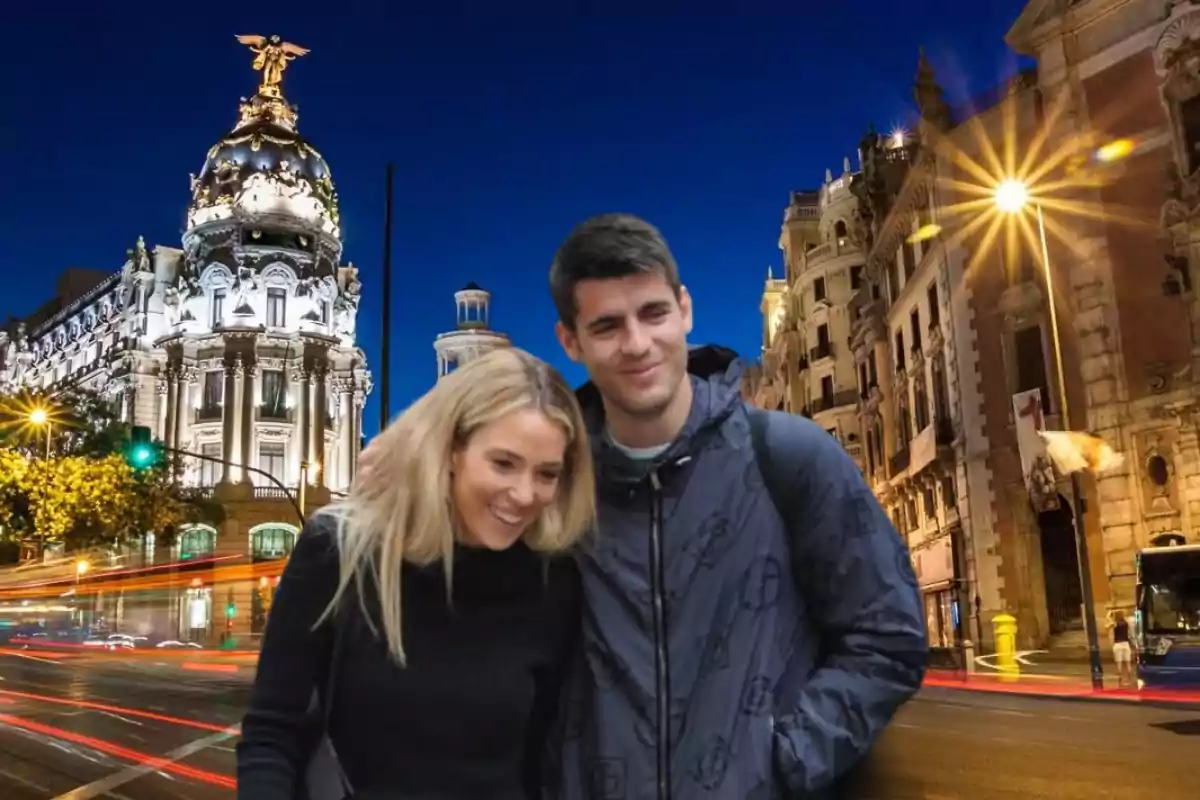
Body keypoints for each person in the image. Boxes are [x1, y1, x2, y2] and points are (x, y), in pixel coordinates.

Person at [545, 213, 928, 799]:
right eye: (606, 325)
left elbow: (888, 635)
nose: (638, 343)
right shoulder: (554, 486)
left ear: (685, 308)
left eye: (653, 313)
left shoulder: (789, 455)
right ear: (570, 341)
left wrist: (784, 762)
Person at [236, 347, 597, 799]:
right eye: (503, 463)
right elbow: (272, 733)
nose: (524, 493)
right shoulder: (341, 551)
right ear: (451, 450)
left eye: (547, 474)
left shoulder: (554, 580)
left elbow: (547, 756)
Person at [1108, 610, 1136, 688]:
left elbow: (1111, 635)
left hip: (1117, 644)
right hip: (1126, 644)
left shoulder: (1114, 624)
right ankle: (1130, 681)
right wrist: (1133, 645)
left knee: (1119, 664)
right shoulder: (1126, 623)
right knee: (1128, 664)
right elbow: (1130, 635)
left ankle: (1121, 683)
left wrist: (1112, 645)